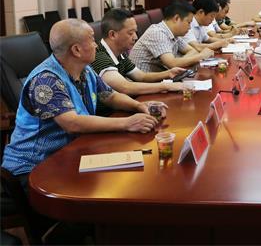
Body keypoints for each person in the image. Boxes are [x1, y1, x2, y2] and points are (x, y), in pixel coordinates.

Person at [2, 19, 163, 178]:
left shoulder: (85, 70)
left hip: (71, 154)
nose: (96, 45)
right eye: (92, 40)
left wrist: (139, 106)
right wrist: (128, 123)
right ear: (76, 50)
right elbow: (72, 123)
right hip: (34, 167)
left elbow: (110, 96)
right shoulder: (46, 80)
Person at [91, 9, 185, 96]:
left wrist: (169, 73)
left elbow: (141, 76)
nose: (135, 37)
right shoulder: (99, 56)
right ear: (112, 34)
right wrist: (166, 86)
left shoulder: (120, 53)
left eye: (135, 32)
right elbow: (125, 87)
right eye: (130, 33)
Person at [129, 0, 213, 72]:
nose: (190, 27)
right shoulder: (158, 33)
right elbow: (172, 64)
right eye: (188, 22)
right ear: (176, 18)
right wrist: (201, 56)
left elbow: (192, 51)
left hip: (159, 78)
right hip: (142, 82)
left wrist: (179, 61)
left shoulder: (174, 34)